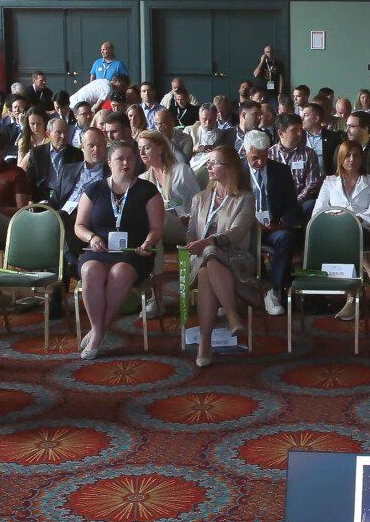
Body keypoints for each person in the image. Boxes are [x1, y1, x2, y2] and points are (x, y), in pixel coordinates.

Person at [72, 140, 164, 360]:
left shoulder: (148, 191)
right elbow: (79, 226)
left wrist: (149, 242)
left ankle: (97, 333)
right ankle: (99, 329)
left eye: (129, 158)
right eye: (120, 159)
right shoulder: (94, 189)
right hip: (99, 249)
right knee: (90, 271)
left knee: (119, 273)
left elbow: (157, 229)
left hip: (134, 252)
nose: (125, 163)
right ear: (109, 162)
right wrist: (92, 237)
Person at [184, 145, 263, 367]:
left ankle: (205, 343)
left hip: (236, 257)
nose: (208, 167)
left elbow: (237, 232)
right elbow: (191, 231)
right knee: (207, 259)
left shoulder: (245, 198)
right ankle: (232, 316)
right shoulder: (199, 198)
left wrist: (208, 242)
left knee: (208, 261)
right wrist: (194, 243)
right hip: (201, 256)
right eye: (208, 163)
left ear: (230, 168)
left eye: (214, 163)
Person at [313, 139, 370, 322]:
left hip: (363, 231)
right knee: (347, 238)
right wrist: (337, 217)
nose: (351, 159)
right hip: (335, 231)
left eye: (356, 155)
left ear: (361, 159)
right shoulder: (329, 182)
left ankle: (351, 300)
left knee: (352, 236)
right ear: (340, 158)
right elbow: (317, 211)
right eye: (347, 155)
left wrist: (359, 218)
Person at [242, 131, 302, 317]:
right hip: (246, 228)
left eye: (264, 156)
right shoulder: (237, 172)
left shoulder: (281, 171)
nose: (260, 162)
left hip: (274, 227)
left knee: (286, 238)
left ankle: (274, 291)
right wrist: (252, 223)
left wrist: (282, 223)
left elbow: (292, 205)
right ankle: (238, 291)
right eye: (255, 158)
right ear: (245, 151)